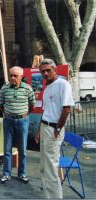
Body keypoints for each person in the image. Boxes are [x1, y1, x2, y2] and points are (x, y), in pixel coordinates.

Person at [35, 58, 74, 199]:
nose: (45, 73)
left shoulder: (63, 84)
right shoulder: (47, 88)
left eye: (48, 70)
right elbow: (45, 112)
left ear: (55, 70)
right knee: (44, 166)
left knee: (51, 168)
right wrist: (39, 130)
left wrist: (58, 129)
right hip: (45, 128)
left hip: (53, 130)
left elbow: (67, 109)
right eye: (42, 71)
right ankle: (48, 196)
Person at [0, 66, 36, 184]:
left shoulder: (27, 88)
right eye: (11, 75)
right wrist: (9, 114)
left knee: (22, 149)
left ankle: (22, 174)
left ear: (21, 77)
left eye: (15, 76)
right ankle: (6, 174)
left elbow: (32, 105)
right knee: (7, 148)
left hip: (22, 121)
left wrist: (23, 115)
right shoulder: (4, 88)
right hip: (8, 121)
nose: (12, 78)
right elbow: (0, 104)